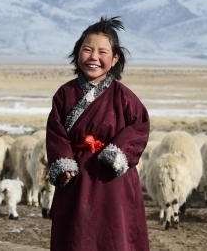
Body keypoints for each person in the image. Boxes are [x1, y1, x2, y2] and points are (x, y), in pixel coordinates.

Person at [45, 16, 150, 251]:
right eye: (87, 50)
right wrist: (63, 164)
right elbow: (55, 132)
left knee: (115, 234)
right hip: (76, 178)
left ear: (115, 59)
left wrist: (117, 154)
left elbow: (139, 127)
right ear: (77, 53)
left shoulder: (124, 97)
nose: (93, 57)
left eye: (102, 52)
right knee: (76, 234)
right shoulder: (65, 94)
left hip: (113, 179)